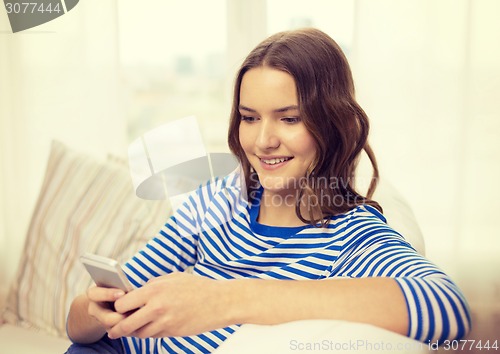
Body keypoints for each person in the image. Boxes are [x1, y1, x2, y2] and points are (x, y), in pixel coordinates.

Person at [66, 28, 471, 353]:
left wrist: (222, 301)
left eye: (289, 118)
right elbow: (82, 326)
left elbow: (446, 308)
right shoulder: (217, 200)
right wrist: (94, 309)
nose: (262, 141)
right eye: (248, 117)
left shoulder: (352, 235)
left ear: (334, 124)